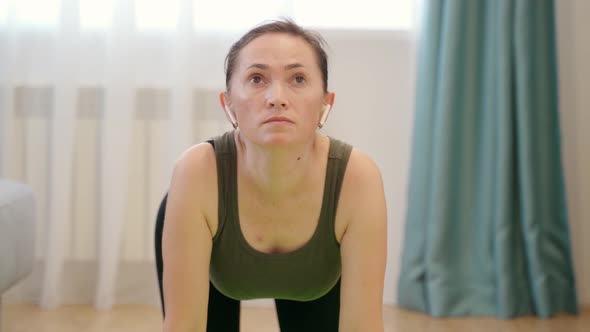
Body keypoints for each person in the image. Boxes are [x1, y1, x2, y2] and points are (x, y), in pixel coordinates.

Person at [161, 19, 387, 332]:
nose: (276, 97)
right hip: (216, 262)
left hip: (315, 283)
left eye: (297, 78)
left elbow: (363, 327)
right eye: (256, 78)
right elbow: (183, 327)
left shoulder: (357, 178)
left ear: (325, 102)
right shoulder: (197, 172)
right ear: (228, 105)